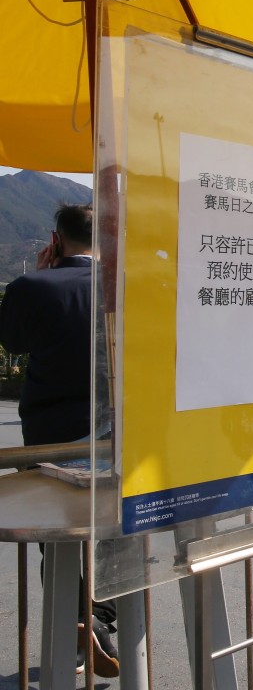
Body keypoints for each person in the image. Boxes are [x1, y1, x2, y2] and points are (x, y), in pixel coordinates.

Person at [0, 203, 119, 678]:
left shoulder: (32, 286)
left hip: (51, 435)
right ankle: (102, 621)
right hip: (116, 430)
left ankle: (77, 624)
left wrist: (43, 273)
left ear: (56, 238)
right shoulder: (123, 283)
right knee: (110, 535)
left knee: (59, 535)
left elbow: (13, 344)